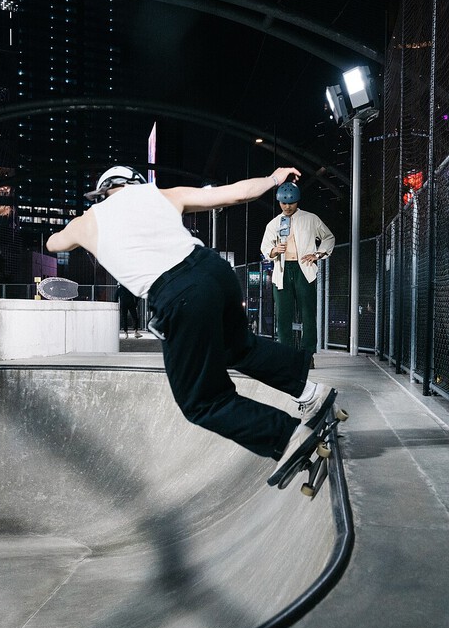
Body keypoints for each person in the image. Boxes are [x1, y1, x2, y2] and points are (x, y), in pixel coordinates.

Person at [46, 165, 338, 483]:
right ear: (137, 183)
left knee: (201, 401)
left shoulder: (87, 221)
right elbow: (237, 193)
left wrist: (74, 232)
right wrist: (274, 179)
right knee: (236, 347)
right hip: (214, 270)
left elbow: (53, 244)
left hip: (180, 294)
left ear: (103, 193)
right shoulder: (161, 195)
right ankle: (310, 392)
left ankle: (288, 437)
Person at [260, 182, 335, 368]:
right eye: (284, 203)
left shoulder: (311, 219)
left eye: (291, 203)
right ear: (279, 202)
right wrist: (274, 250)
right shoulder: (273, 224)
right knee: (283, 316)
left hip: (304, 269)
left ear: (297, 201)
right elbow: (265, 247)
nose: (287, 207)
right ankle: (286, 355)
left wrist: (318, 254)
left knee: (308, 314)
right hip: (282, 271)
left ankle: (307, 355)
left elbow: (328, 237)